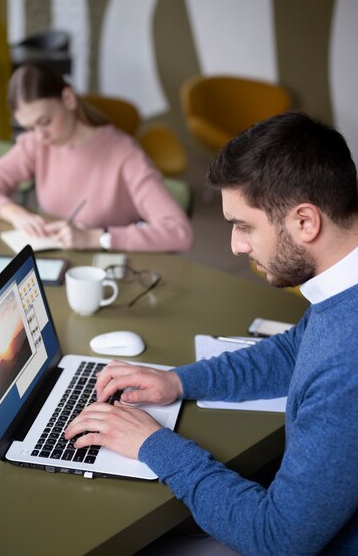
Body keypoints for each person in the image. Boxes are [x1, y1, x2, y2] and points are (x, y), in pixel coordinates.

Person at [64, 112, 358, 555]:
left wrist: (152, 444)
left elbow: (276, 540)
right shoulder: (341, 289)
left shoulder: (346, 364)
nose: (236, 246)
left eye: (245, 226)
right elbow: (294, 351)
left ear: (305, 222)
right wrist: (179, 381)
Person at [0, 64, 193, 252]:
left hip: (106, 274)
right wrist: (18, 215)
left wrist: (95, 237)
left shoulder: (124, 153)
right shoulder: (35, 144)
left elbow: (178, 232)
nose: (39, 136)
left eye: (45, 122)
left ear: (68, 99)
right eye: (28, 127)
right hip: (57, 261)